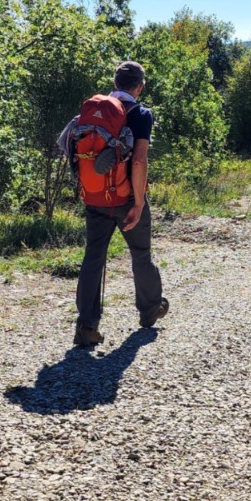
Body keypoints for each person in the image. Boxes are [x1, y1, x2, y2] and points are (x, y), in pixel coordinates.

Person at [68, 60, 168, 347]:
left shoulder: (92, 113)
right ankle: (149, 311)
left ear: (114, 84)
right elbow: (138, 160)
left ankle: (87, 326)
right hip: (125, 197)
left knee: (93, 257)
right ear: (141, 86)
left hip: (96, 198)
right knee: (140, 253)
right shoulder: (141, 114)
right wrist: (137, 202)